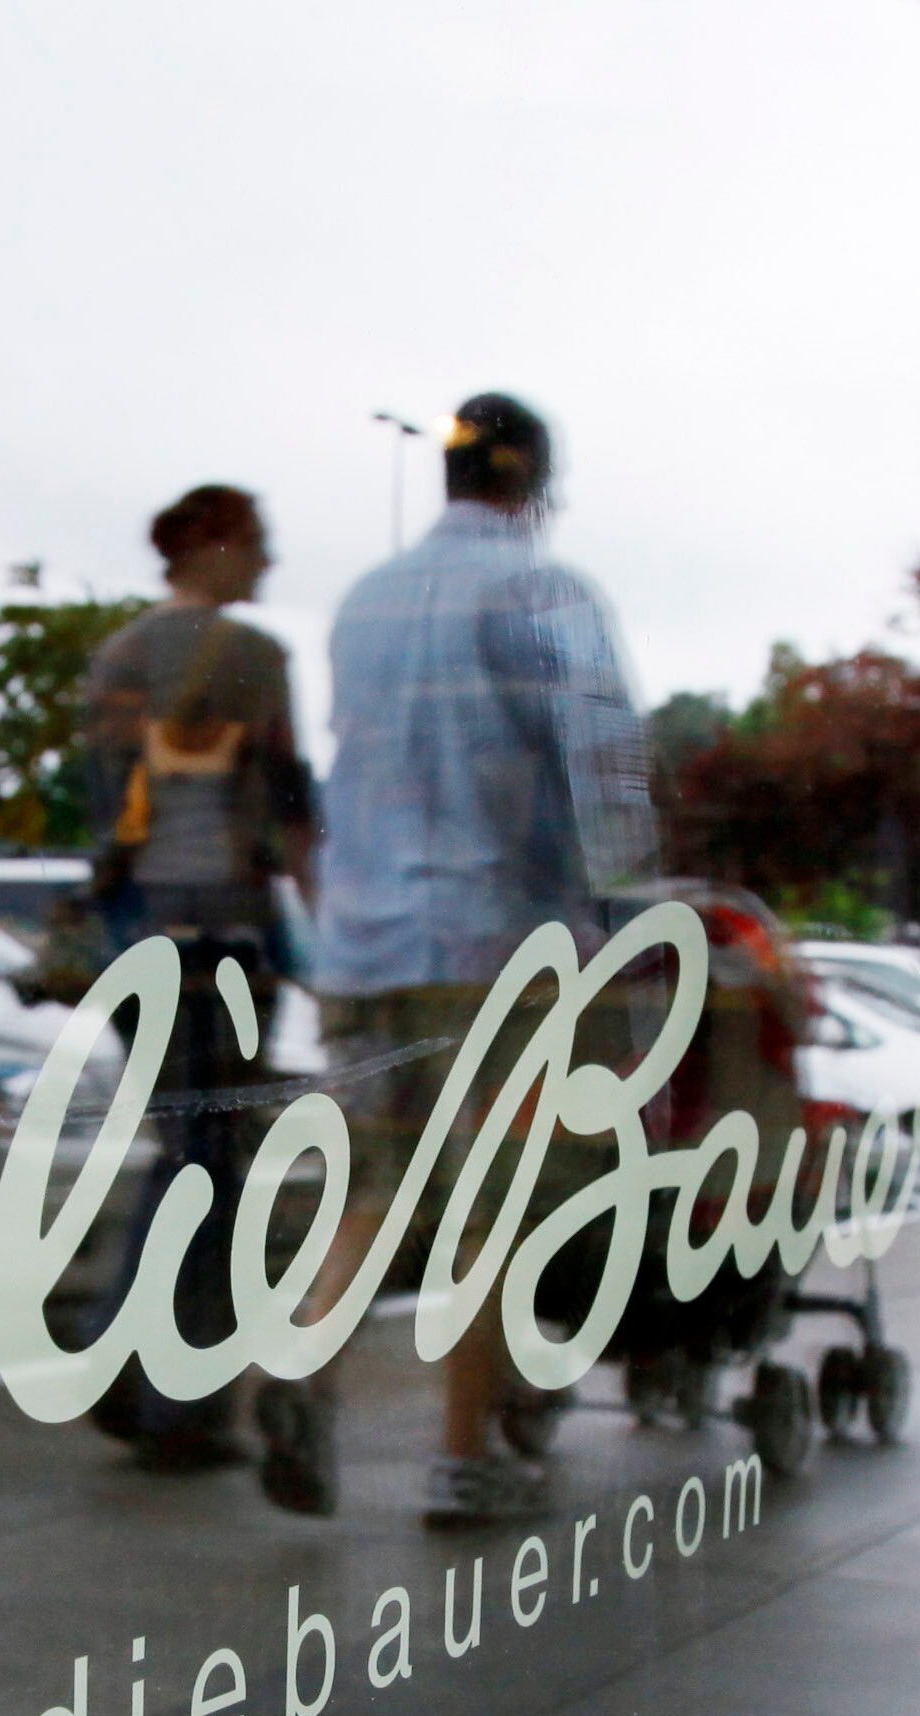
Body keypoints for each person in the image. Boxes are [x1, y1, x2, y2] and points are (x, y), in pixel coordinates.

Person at [257, 394, 654, 1519]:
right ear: (532, 488)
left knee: (376, 1189)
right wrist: (624, 905)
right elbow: (600, 767)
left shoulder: (365, 602)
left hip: (366, 944)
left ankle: (299, 1365)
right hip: (497, 946)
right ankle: (462, 1462)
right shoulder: (544, 589)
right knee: (492, 1207)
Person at [78, 484, 316, 1468]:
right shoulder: (256, 660)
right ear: (210, 546)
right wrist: (331, 932)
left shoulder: (114, 657)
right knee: (211, 1169)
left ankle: (138, 1380)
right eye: (257, 543)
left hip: (134, 939)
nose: (268, 562)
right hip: (224, 944)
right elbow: (292, 807)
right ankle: (164, 1391)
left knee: (186, 1152)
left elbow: (101, 810)